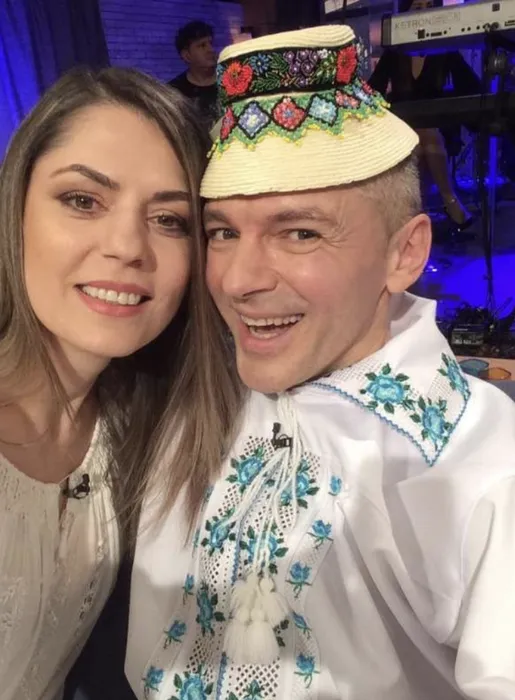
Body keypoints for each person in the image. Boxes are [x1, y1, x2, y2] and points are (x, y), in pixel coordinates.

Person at [127, 25, 515, 700]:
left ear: (404, 254)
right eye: (222, 231)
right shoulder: (195, 398)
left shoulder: (477, 464)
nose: (238, 280)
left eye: (300, 232)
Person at [0, 66, 240, 700]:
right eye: (83, 201)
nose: (128, 246)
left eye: (170, 220)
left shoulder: (145, 430)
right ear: (14, 209)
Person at [369, 0, 480, 231]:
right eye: (417, 7)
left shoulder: (446, 50)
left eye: (429, 6)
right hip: (403, 125)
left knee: (423, 138)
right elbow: (373, 88)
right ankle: (450, 201)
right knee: (418, 139)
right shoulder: (395, 52)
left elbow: (469, 83)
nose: (423, 13)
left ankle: (416, 213)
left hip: (437, 127)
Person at [168, 21, 219, 128]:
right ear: (186, 56)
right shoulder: (174, 92)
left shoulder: (231, 81)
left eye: (211, 44)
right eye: (202, 45)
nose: (211, 50)